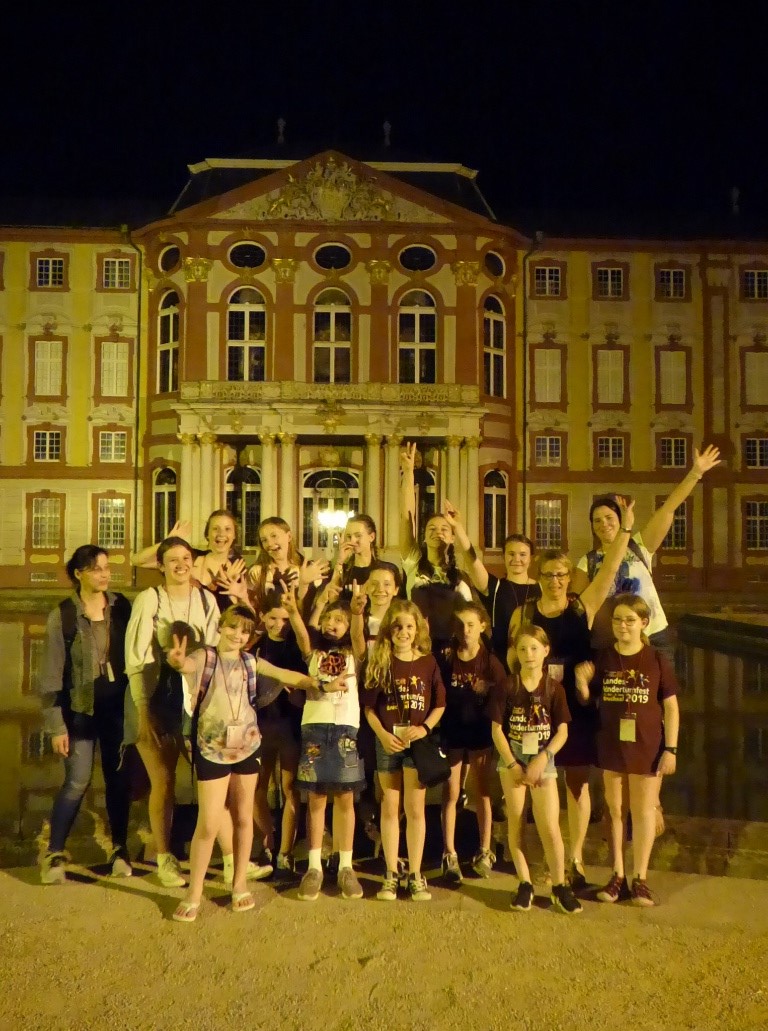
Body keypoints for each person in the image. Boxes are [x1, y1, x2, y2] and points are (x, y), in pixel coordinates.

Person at [508, 498, 637, 891]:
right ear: (538, 577)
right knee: (539, 784)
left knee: (577, 782)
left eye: (562, 574)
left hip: (575, 705)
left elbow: (610, 567)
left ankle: (576, 859)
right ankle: (549, 859)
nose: (556, 581)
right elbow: (513, 659)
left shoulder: (582, 607)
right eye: (548, 575)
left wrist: (625, 530)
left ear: (569, 577)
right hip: (537, 708)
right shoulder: (524, 613)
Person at [167, 604, 323, 922]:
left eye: (244, 631)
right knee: (208, 823)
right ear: (220, 627)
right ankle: (194, 891)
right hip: (212, 749)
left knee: (242, 817)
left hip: (248, 746)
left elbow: (284, 675)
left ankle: (239, 884)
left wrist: (318, 683)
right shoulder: (206, 657)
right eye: (232, 627)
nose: (238, 635)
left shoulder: (251, 661)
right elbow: (187, 665)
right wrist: (178, 661)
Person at [124, 536, 222, 887]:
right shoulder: (150, 599)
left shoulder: (206, 599)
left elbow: (215, 649)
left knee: (211, 777)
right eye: (173, 559)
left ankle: (225, 856)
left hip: (195, 694)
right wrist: (142, 709)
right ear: (161, 565)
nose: (181, 565)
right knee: (163, 780)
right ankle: (165, 857)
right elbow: (136, 658)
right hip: (155, 693)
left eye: (186, 558)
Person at [575, 594, 680, 907]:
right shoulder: (604, 658)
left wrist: (671, 749)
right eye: (618, 620)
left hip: (647, 745)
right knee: (616, 810)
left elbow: (671, 707)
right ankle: (617, 874)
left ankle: (640, 878)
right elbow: (590, 700)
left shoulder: (656, 659)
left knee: (644, 810)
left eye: (630, 620)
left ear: (643, 623)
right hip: (612, 744)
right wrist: (582, 685)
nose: (623, 626)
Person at [38, 546, 133, 884]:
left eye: (106, 567)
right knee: (77, 781)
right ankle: (54, 854)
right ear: (79, 574)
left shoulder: (121, 607)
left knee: (118, 780)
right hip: (80, 710)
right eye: (95, 569)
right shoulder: (63, 615)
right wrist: (56, 726)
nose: (104, 574)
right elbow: (51, 676)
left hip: (117, 708)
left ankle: (119, 849)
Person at [570, 445, 721, 656]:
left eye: (609, 518)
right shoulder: (588, 561)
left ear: (621, 520)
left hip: (654, 636)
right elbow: (577, 607)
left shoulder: (639, 546)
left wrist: (695, 473)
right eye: (597, 520)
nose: (604, 524)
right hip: (616, 641)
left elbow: (668, 508)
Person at [488, 625, 581, 913]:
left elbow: (562, 730)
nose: (529, 654)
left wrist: (544, 757)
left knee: (549, 825)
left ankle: (559, 884)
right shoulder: (507, 686)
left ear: (545, 651)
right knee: (516, 822)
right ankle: (524, 882)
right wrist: (512, 764)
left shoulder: (554, 688)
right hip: (513, 756)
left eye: (534, 648)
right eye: (523, 649)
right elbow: (497, 729)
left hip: (542, 756)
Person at [363, 601, 446, 901]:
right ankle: (390, 873)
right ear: (389, 629)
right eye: (398, 626)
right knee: (389, 806)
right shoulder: (381, 661)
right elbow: (369, 708)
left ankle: (415, 873)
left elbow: (439, 704)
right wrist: (383, 735)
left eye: (409, 626)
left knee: (415, 808)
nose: (404, 632)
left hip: (417, 744)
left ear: (418, 629)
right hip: (388, 742)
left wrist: (425, 729)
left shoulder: (428, 662)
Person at [285, 593, 365, 901]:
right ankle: (314, 866)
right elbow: (302, 637)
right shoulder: (314, 654)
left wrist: (356, 614)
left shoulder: (354, 654)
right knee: (316, 799)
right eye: (328, 618)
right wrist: (293, 611)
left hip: (345, 728)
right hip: (315, 728)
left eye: (339, 620)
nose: (332, 624)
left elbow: (358, 636)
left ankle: (346, 866)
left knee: (345, 799)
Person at [438, 601, 506, 883]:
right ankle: (449, 852)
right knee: (452, 791)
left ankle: (485, 850)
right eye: (461, 625)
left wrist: (488, 687)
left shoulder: (489, 661)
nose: (466, 630)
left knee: (482, 791)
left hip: (479, 732)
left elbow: (505, 690)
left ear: (482, 627)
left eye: (471, 625)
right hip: (453, 731)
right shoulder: (447, 657)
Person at [250, 591, 307, 875]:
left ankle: (286, 852)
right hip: (260, 724)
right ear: (263, 617)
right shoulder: (255, 646)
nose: (279, 625)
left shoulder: (296, 646)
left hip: (290, 725)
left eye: (285, 619)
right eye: (273, 618)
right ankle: (267, 844)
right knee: (257, 787)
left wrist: (299, 696)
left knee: (290, 787)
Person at [446, 505, 540, 669]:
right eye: (511, 554)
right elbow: (472, 560)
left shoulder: (541, 589)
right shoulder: (495, 587)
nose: (517, 559)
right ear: (503, 556)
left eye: (523, 554)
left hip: (535, 665)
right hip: (501, 666)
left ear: (531, 558)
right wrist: (458, 527)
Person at [399, 443, 472, 652]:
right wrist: (408, 474)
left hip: (450, 649)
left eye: (444, 529)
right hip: (418, 647)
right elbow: (407, 517)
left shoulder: (459, 577)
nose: (437, 532)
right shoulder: (414, 563)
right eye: (431, 528)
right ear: (423, 537)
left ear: (452, 537)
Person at [246, 516, 329, 617]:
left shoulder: (307, 569)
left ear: (289, 536)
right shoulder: (257, 572)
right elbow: (250, 607)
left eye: (274, 536)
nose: (270, 543)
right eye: (264, 540)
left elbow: (318, 607)